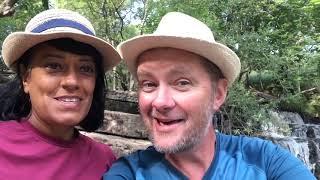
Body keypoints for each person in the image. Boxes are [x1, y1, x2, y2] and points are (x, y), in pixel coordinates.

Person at [103, 12, 316, 180]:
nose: (160, 101)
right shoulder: (128, 173)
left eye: (182, 83)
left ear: (218, 94)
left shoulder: (265, 161)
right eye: (148, 84)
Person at [0, 9, 121, 179]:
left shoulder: (104, 161)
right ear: (25, 77)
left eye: (86, 68)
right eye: (54, 66)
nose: (72, 81)